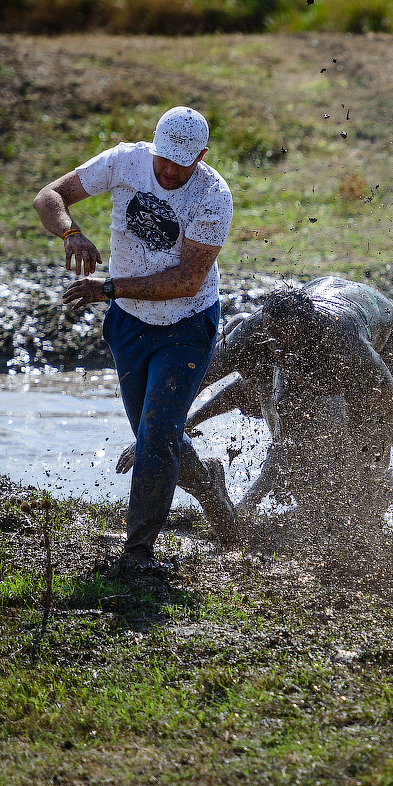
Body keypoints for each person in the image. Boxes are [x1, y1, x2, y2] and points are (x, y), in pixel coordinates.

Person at [34, 105, 237, 570]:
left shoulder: (212, 196)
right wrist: (71, 233)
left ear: (201, 156)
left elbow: (187, 279)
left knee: (158, 436)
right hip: (129, 325)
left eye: (180, 163)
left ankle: (139, 552)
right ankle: (212, 490)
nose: (168, 170)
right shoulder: (124, 161)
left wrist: (106, 288)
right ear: (153, 144)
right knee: (151, 434)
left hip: (186, 324)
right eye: (163, 158)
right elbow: (49, 197)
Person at [198, 277, 393, 524]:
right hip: (316, 312)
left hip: (378, 320)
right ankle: (313, 509)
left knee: (369, 433)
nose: (277, 345)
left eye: (286, 336)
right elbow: (200, 376)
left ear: (308, 328)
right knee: (289, 424)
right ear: (265, 325)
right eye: (272, 335)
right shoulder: (253, 331)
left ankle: (371, 508)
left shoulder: (346, 343)